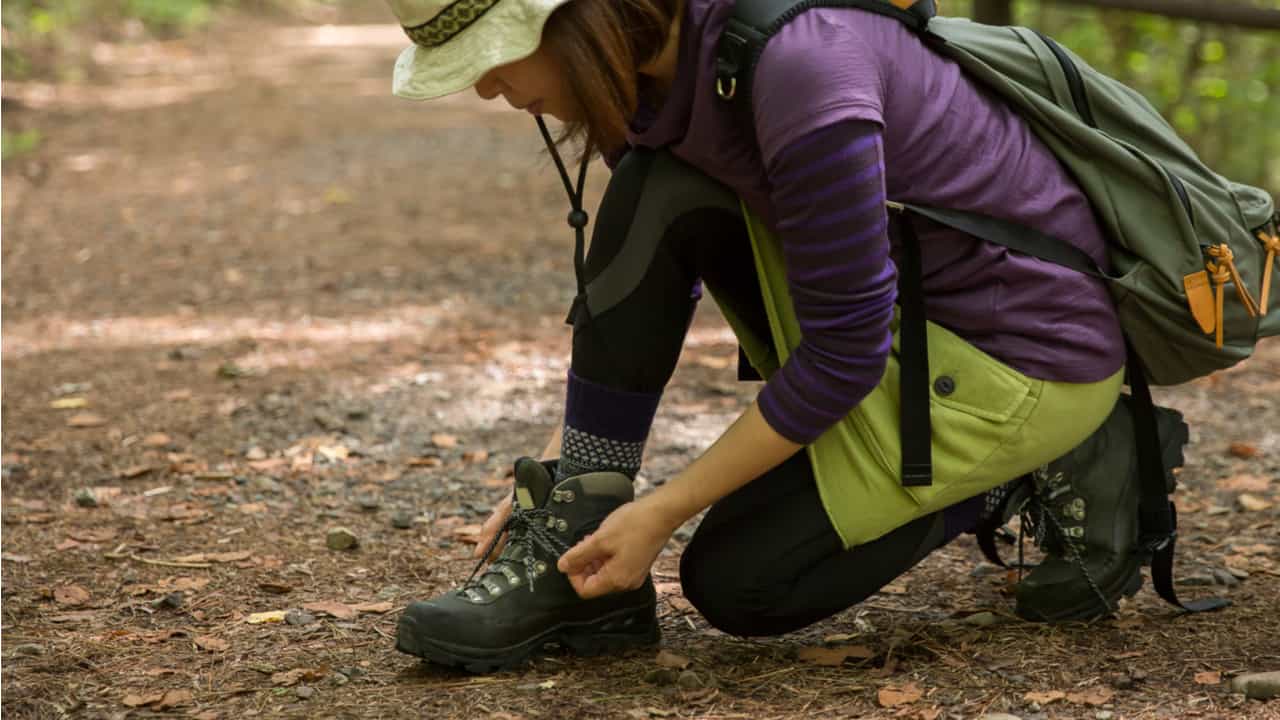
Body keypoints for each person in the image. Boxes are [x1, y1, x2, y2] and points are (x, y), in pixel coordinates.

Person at [384, 0, 1158, 673]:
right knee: (657, 186)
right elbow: (654, 281)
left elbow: (843, 353)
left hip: (1022, 362)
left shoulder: (802, 65)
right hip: (899, 318)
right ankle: (574, 564)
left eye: (491, 57)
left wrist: (662, 510)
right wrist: (570, 482)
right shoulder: (659, 74)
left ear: (577, 16)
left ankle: (1033, 468)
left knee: (740, 584)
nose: (486, 86)